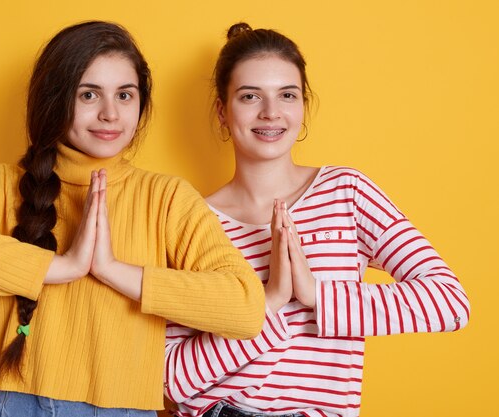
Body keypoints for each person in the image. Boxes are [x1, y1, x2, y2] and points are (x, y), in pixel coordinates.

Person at [0, 21, 266, 417]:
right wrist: (61, 266)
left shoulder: (166, 198)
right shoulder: (0, 186)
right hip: (5, 405)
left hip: (123, 410)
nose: (110, 113)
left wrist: (112, 270)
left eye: (125, 94)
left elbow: (244, 308)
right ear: (55, 99)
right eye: (89, 94)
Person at [164, 22, 470, 417]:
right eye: (250, 96)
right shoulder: (190, 219)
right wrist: (267, 304)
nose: (271, 112)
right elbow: (170, 380)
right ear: (222, 111)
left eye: (287, 95)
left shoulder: (347, 192)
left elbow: (448, 301)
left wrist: (315, 295)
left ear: (303, 105)